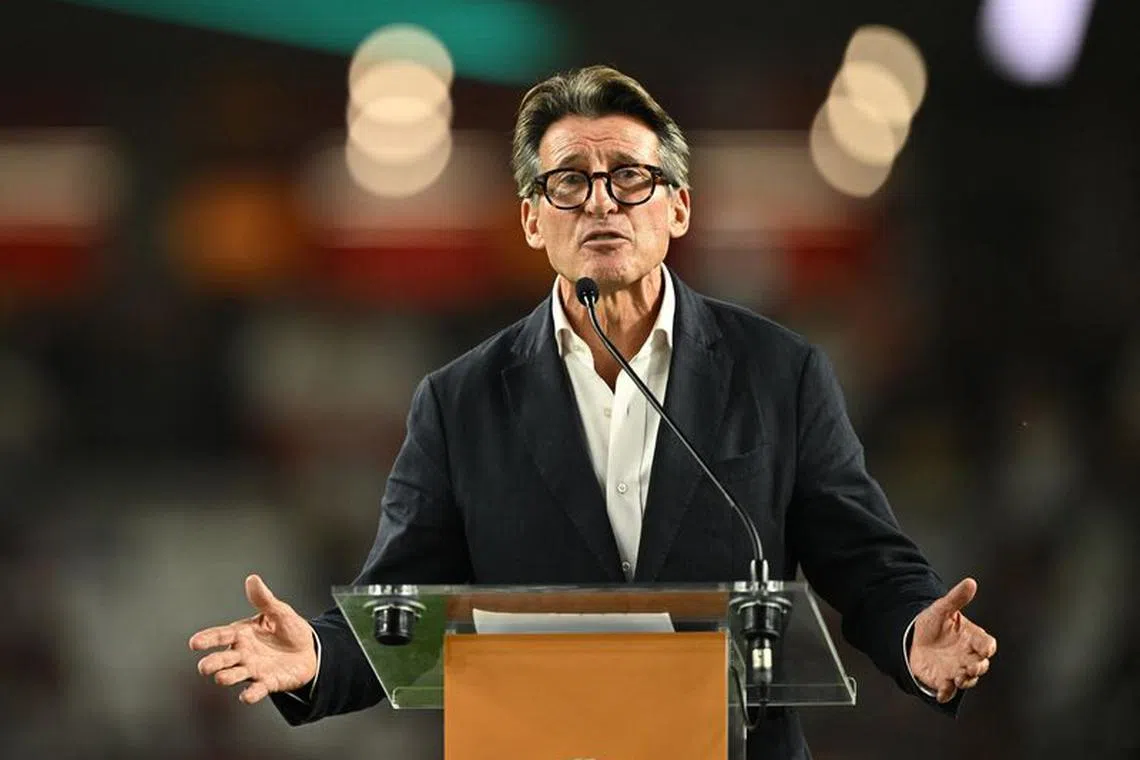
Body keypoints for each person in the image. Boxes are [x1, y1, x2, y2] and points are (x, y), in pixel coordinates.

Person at [190, 65, 997, 758]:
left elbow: (863, 562)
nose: (601, 202)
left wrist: (911, 636)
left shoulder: (777, 374)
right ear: (533, 220)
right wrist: (320, 660)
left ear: (677, 209)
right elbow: (400, 597)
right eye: (569, 181)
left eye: (630, 178)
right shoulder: (461, 400)